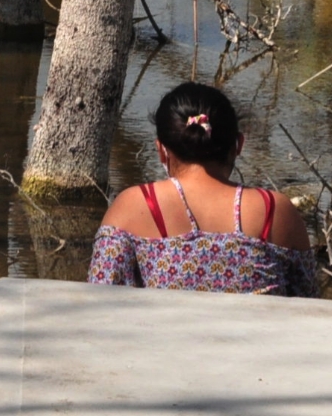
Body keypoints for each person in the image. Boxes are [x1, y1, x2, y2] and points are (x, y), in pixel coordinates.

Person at [87, 81, 318, 296]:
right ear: (238, 145)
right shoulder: (273, 210)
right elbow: (307, 303)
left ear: (161, 150)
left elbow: (102, 302)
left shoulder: (135, 205)